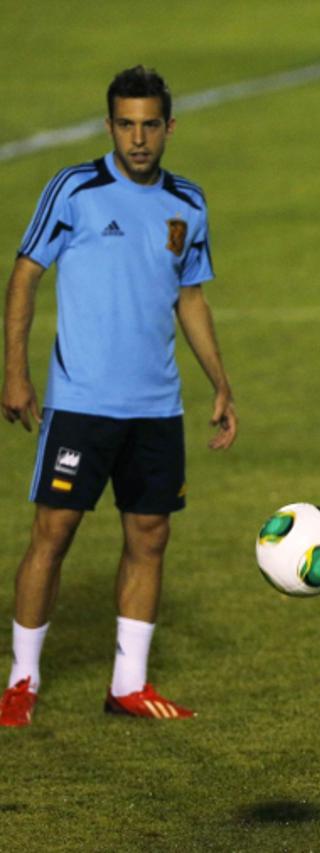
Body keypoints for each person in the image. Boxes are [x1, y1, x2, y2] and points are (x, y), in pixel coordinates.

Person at [0, 66, 237, 727]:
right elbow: (24, 276)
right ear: (109, 126)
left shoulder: (188, 204)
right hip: (80, 402)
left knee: (151, 534)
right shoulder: (75, 190)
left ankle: (128, 684)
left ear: (169, 127)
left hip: (156, 407)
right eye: (126, 125)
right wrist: (14, 372)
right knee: (54, 530)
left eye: (150, 125)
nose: (138, 138)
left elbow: (190, 295)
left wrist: (219, 381)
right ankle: (22, 679)